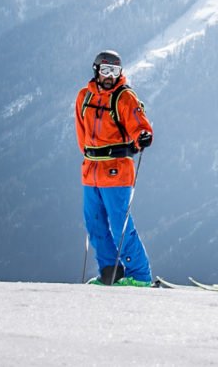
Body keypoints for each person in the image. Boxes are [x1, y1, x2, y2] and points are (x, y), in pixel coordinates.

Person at [75, 50, 155, 286]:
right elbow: (81, 134)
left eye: (115, 71)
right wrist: (90, 156)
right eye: (106, 70)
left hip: (116, 171)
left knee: (120, 225)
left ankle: (140, 275)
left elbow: (139, 124)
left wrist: (142, 136)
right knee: (94, 223)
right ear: (96, 71)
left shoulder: (124, 98)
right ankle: (110, 272)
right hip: (91, 171)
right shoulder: (84, 97)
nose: (110, 76)